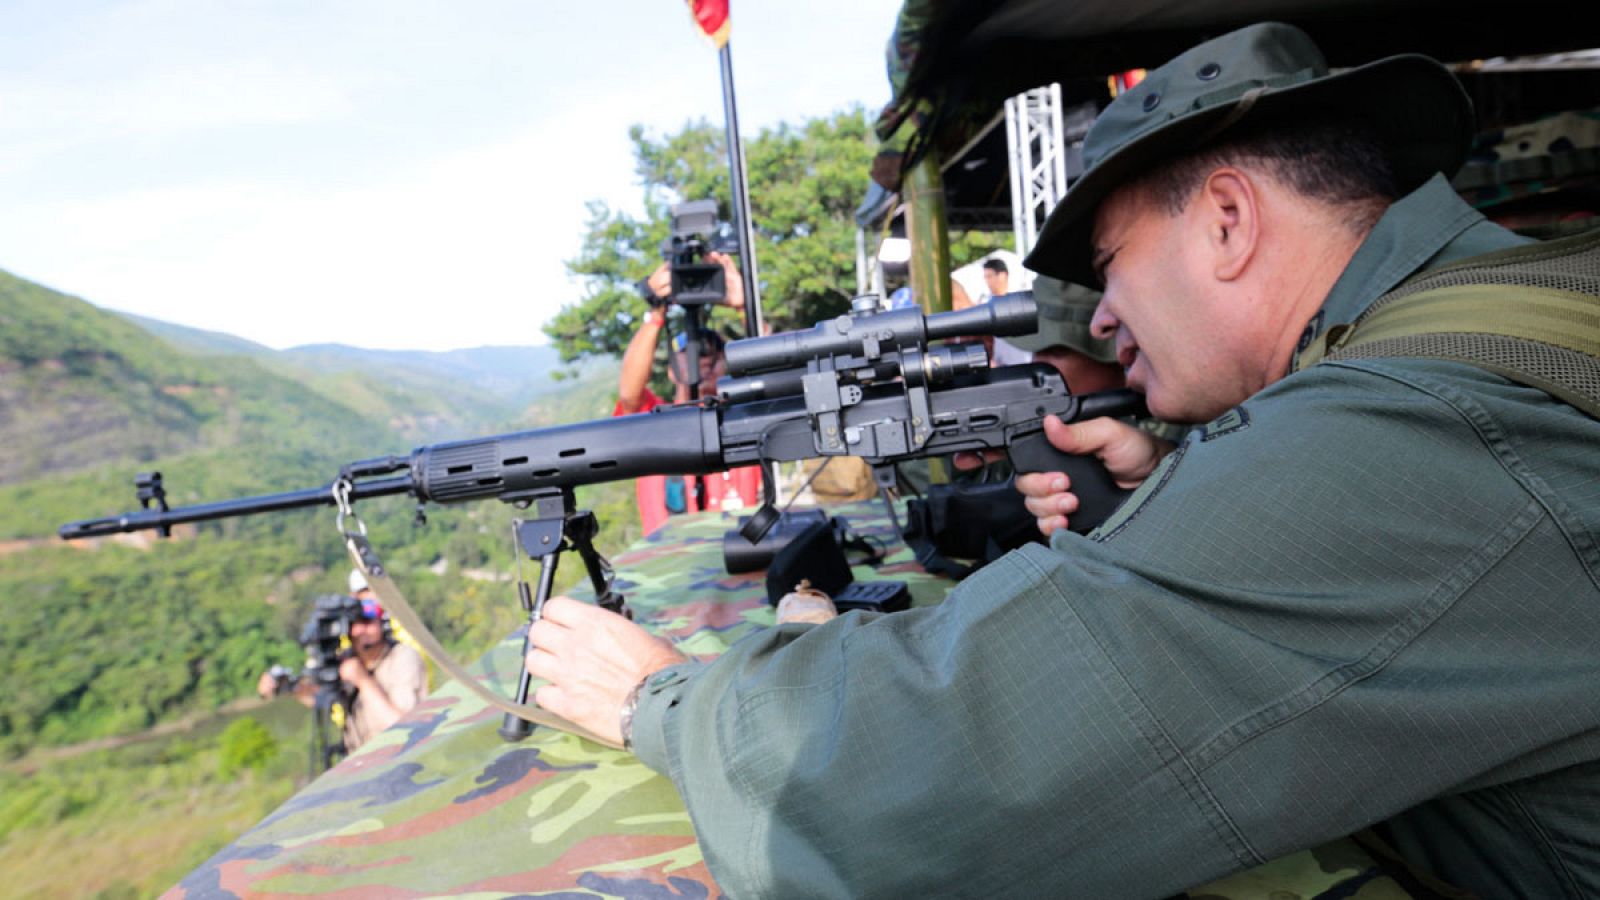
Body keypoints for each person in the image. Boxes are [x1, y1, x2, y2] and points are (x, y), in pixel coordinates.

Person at [520, 23, 1600, 897]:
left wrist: (662, 699)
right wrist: (1183, 483)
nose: (1102, 317)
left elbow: (933, 794)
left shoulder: (1411, 428)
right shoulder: (1505, 313)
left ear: (1226, 221)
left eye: (1107, 263)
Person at [616, 251, 762, 534]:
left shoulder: (745, 416)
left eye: (714, 352)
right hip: (671, 564)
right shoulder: (652, 420)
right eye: (690, 352)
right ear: (671, 368)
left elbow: (778, 372)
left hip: (738, 557)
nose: (704, 359)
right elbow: (629, 394)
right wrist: (656, 312)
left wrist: (746, 308)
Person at [258, 569, 428, 754]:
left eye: (369, 621)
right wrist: (286, 687)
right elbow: (320, 698)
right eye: (354, 623)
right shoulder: (346, 660)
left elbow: (405, 731)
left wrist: (363, 681)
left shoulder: (403, 656)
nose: (362, 630)